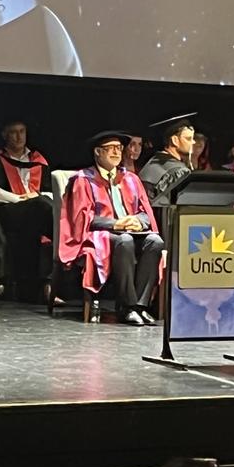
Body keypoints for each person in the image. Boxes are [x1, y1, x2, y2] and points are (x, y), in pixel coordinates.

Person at [59, 131, 164, 326]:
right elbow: (82, 218)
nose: (117, 152)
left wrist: (138, 221)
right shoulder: (83, 179)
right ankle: (128, 306)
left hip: (130, 231)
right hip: (99, 234)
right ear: (98, 152)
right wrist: (115, 224)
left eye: (119, 148)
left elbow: (145, 211)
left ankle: (141, 306)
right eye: (111, 149)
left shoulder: (131, 179)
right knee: (125, 240)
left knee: (155, 241)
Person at [0, 119, 53, 301]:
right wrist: (20, 198)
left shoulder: (39, 161)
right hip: (8, 211)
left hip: (34, 211)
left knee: (48, 208)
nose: (19, 136)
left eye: (22, 131)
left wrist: (34, 197)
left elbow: (50, 191)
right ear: (5, 135)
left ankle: (52, 282)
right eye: (14, 132)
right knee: (43, 205)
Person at [139, 113, 195, 204]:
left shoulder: (152, 162)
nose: (193, 142)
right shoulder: (178, 171)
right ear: (175, 141)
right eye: (188, 139)